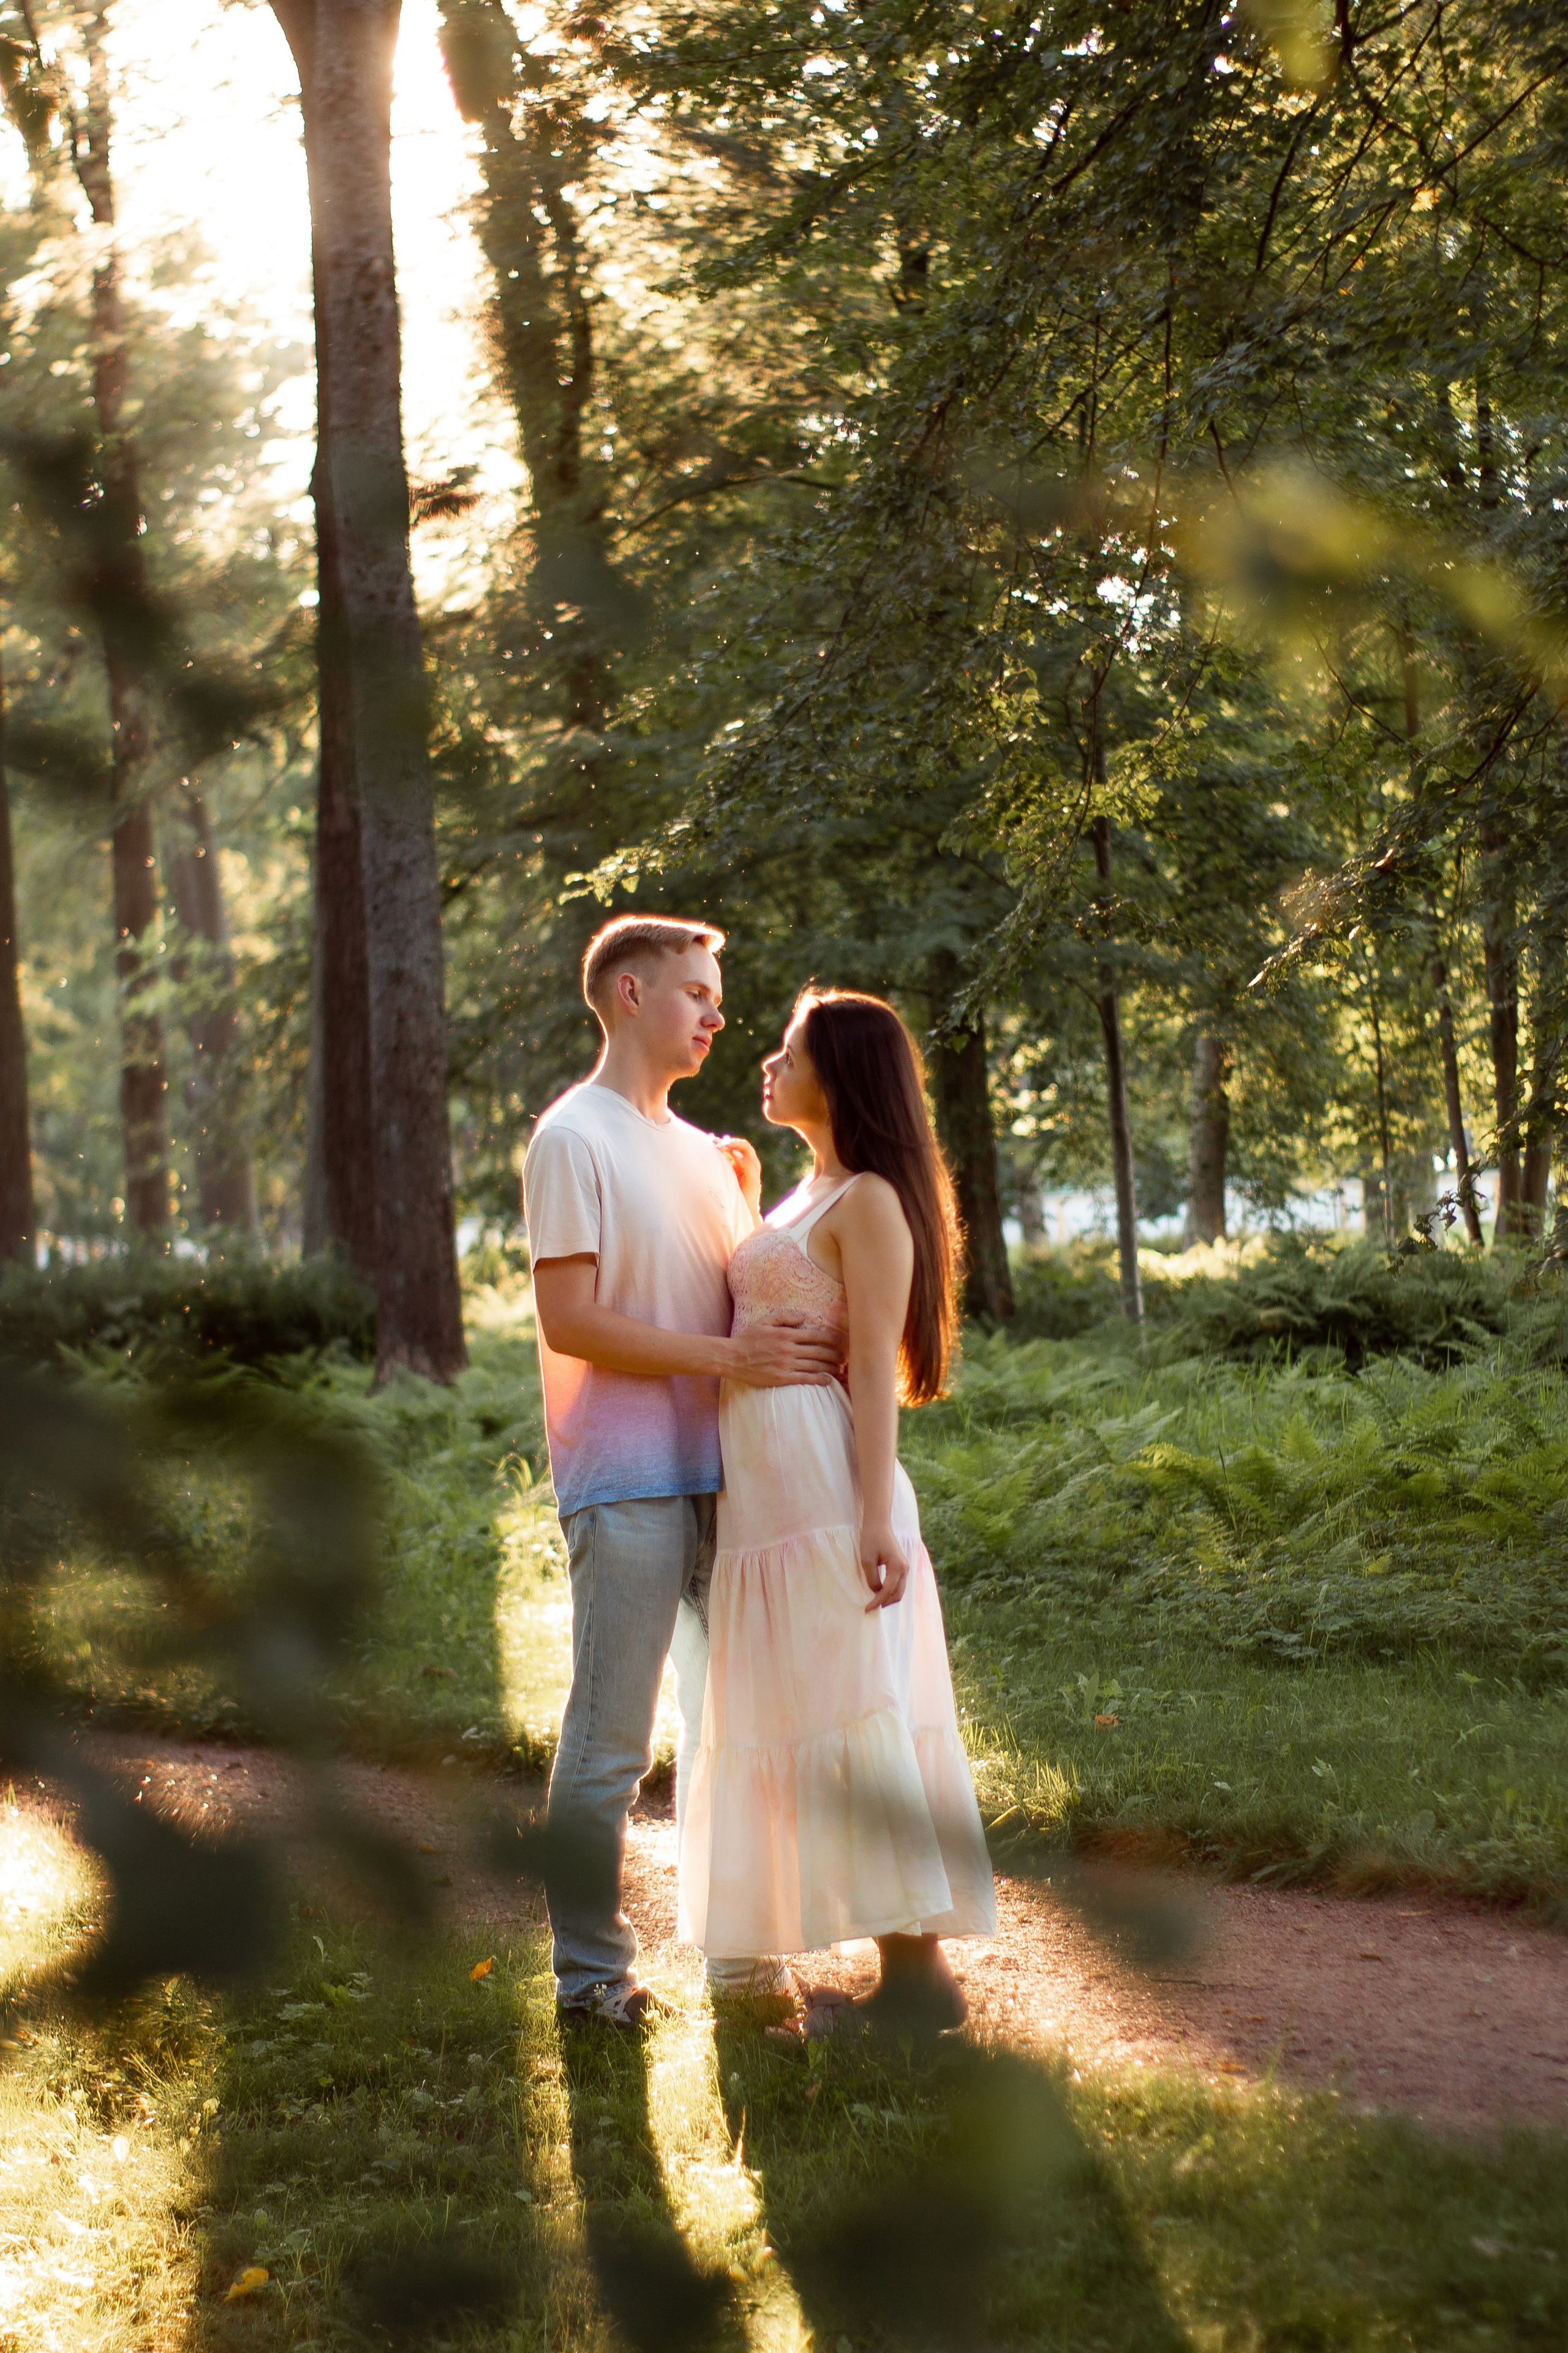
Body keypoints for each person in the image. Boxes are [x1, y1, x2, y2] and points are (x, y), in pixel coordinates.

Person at [522, 915, 843, 2030]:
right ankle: (590, 1979)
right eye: (696, 992)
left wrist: (747, 1199)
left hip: (729, 1479)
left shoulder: (706, 1150)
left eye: (719, 994)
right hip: (625, 1481)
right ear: (625, 992)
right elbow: (571, 1319)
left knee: (732, 1732)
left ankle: (742, 1961)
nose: (716, 1012)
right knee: (612, 1742)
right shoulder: (574, 1138)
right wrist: (727, 1356)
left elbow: (740, 1295)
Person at [679, 988, 997, 2027]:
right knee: (808, 1709)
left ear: (841, 1075)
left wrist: (874, 1519)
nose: (767, 1063)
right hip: (767, 1499)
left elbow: (872, 1371)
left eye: (789, 1051)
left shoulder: (868, 1200)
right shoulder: (811, 1192)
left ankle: (918, 1982)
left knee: (858, 1708)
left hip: (824, 1489)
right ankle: (887, 1969)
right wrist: (751, 1197)